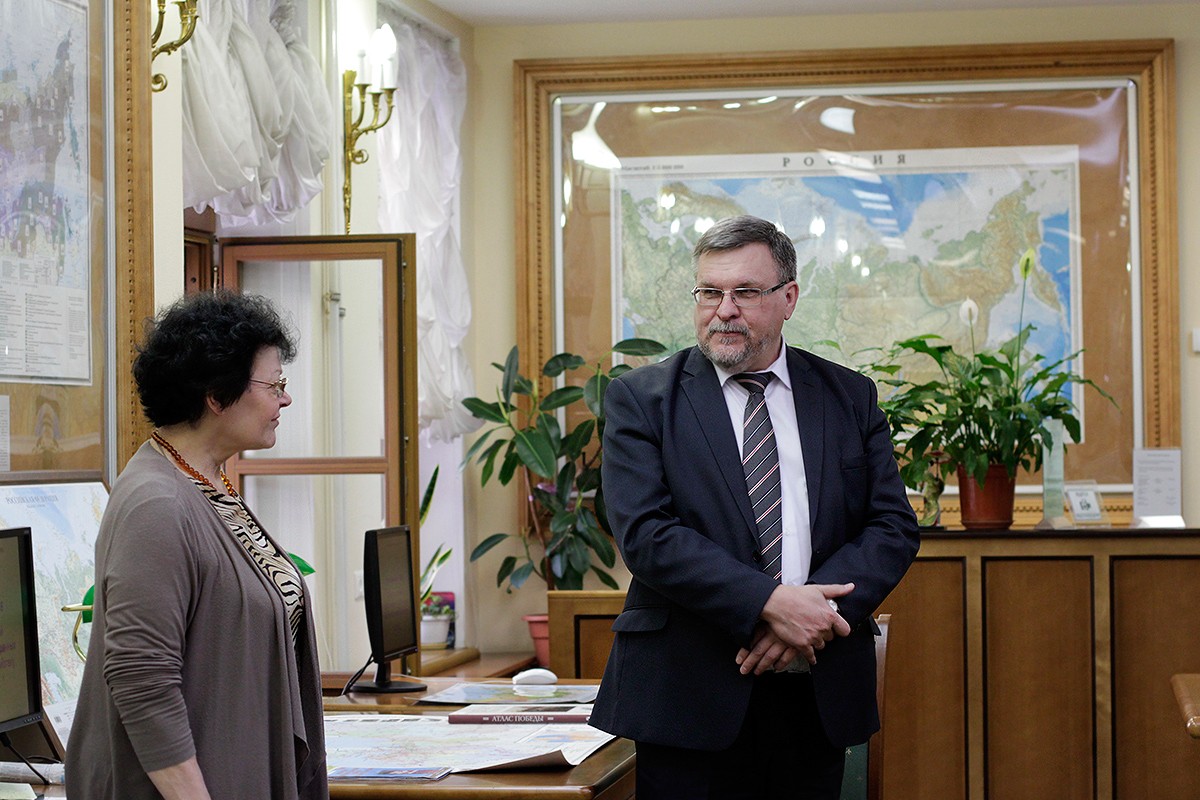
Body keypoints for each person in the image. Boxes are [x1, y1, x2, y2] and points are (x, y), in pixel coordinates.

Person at [589, 215, 920, 799]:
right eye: (709, 292)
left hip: (814, 689)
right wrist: (770, 603)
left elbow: (891, 526)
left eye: (745, 292)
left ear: (788, 298)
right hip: (687, 698)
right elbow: (645, 533)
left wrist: (813, 616)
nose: (724, 311)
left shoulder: (849, 396)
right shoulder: (641, 400)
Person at [67, 291, 327, 799]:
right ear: (216, 394)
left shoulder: (209, 483)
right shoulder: (157, 503)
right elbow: (143, 680)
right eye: (275, 385)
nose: (285, 400)